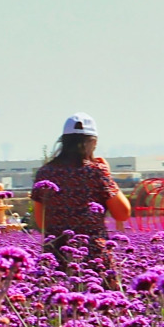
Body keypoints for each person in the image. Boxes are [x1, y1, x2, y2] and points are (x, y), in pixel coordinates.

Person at [30, 112, 129, 277]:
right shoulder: (96, 172)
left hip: (56, 258)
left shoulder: (44, 173)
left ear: (63, 141)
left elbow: (41, 221)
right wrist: (108, 176)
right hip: (94, 259)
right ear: (94, 142)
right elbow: (123, 213)